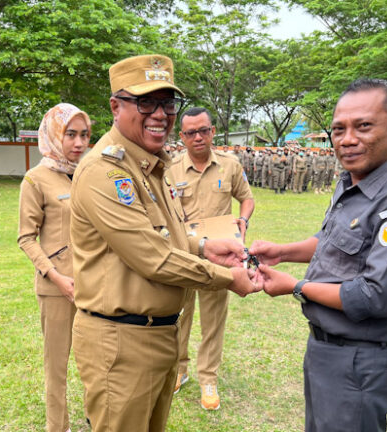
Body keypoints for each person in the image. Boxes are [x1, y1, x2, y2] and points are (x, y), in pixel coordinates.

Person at [69, 54, 260, 432]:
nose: (160, 114)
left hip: (159, 334)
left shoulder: (152, 166)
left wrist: (205, 247)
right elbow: (153, 258)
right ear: (115, 106)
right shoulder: (105, 173)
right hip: (121, 341)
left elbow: (168, 234)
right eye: (146, 102)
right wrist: (226, 278)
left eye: (167, 102)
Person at [250, 78, 387, 432]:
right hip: (327, 350)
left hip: (361, 359)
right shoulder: (354, 180)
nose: (347, 139)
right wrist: (282, 251)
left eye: (363, 126)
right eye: (339, 129)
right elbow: (331, 241)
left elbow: (374, 296)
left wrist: (297, 287)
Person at [168, 107, 255, 410]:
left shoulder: (230, 166)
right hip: (183, 253)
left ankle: (208, 378)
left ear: (213, 131)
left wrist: (243, 220)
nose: (198, 137)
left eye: (203, 130)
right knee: (178, 316)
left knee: (213, 320)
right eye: (191, 132)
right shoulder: (170, 169)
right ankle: (179, 370)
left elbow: (247, 197)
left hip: (219, 257)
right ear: (182, 136)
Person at [17, 103, 91, 432]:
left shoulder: (90, 174)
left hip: (94, 286)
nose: (78, 142)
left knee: (94, 361)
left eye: (84, 135)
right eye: (70, 134)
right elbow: (26, 238)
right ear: (53, 134)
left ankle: (97, 418)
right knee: (57, 366)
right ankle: (56, 426)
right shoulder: (36, 179)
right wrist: (58, 278)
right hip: (57, 288)